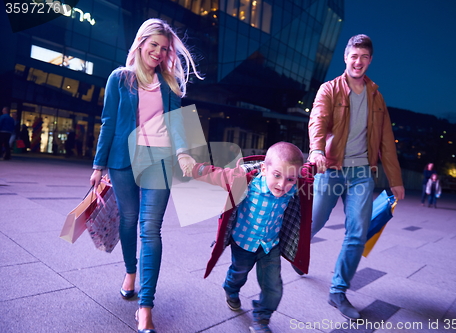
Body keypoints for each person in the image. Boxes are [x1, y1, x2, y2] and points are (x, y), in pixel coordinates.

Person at [89, 18, 202, 333]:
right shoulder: (119, 78)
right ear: (140, 43)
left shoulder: (169, 83)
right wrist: (98, 167)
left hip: (159, 162)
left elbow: (177, 125)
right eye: (153, 45)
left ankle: (146, 306)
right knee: (128, 220)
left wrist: (183, 154)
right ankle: (130, 272)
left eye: (164, 48)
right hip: (123, 162)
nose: (158, 52)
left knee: (150, 230)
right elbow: (108, 122)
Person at [307, 34, 405, 320]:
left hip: (362, 172)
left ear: (370, 60)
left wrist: (396, 179)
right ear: (345, 58)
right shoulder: (330, 89)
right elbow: (318, 120)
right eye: (354, 56)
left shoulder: (376, 96)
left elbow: (386, 139)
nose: (358, 62)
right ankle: (292, 251)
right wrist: (315, 150)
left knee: (357, 233)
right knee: (314, 222)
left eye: (364, 57)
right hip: (331, 168)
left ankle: (338, 291)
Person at [192, 142, 313, 333]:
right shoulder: (246, 181)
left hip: (269, 246)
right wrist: (194, 168)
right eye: (277, 175)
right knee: (239, 273)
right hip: (243, 242)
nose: (283, 185)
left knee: (274, 287)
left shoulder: (294, 186)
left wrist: (319, 156)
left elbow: (309, 169)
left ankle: (261, 318)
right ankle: (230, 288)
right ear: (264, 169)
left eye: (290, 179)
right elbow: (216, 174)